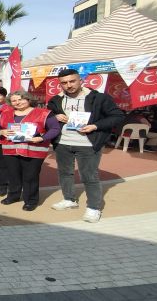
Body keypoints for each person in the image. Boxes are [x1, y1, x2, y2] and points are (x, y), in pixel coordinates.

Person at [47, 69, 124, 222]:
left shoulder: (99, 98)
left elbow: (117, 116)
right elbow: (47, 116)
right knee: (64, 173)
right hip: (62, 143)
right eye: (64, 83)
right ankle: (69, 199)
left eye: (72, 81)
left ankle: (94, 207)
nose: (68, 85)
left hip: (88, 144)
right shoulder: (55, 100)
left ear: (80, 80)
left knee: (89, 176)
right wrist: (54, 116)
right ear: (60, 84)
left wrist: (95, 126)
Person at [0, 90, 61, 211]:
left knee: (30, 176)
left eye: (20, 99)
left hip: (33, 150)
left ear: (28, 99)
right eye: (14, 100)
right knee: (13, 175)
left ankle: (31, 200)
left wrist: (42, 138)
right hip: (10, 150)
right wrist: (1, 131)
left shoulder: (44, 113)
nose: (17, 102)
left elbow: (55, 129)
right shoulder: (5, 113)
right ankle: (13, 196)